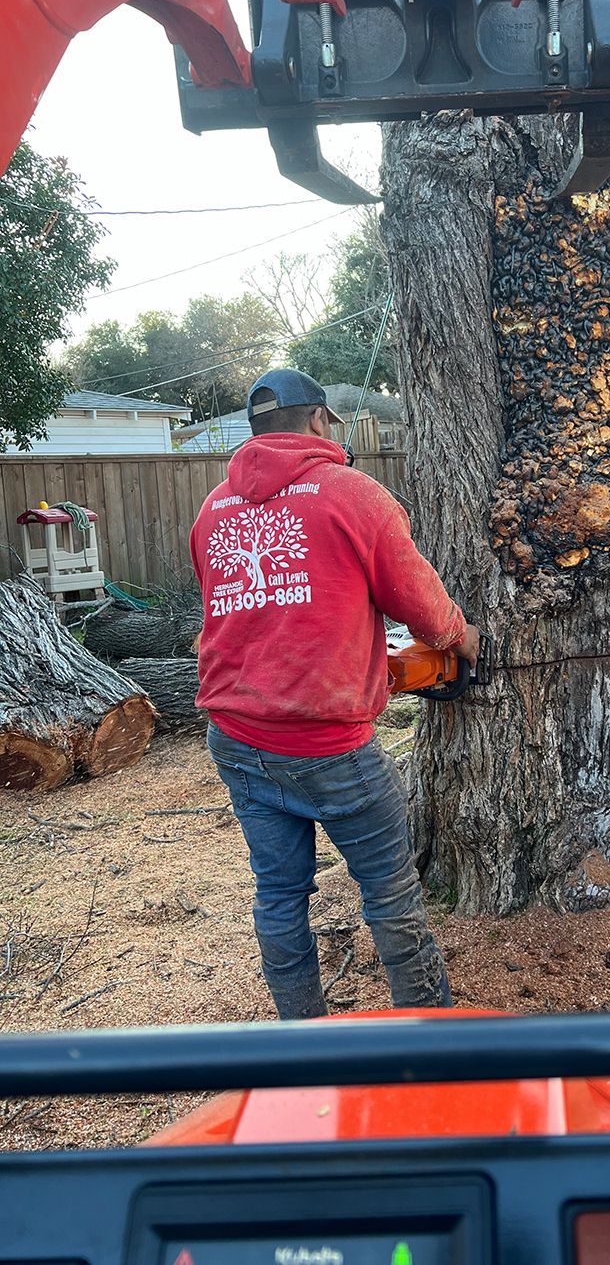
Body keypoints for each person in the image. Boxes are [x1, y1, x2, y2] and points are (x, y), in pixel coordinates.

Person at [189, 368, 479, 1019]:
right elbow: (423, 606)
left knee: (280, 895)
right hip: (332, 747)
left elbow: (245, 610)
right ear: (321, 421)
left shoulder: (213, 510)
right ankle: (430, 1046)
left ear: (256, 429)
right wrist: (464, 637)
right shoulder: (354, 496)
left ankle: (303, 1043)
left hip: (236, 739)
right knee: (392, 895)